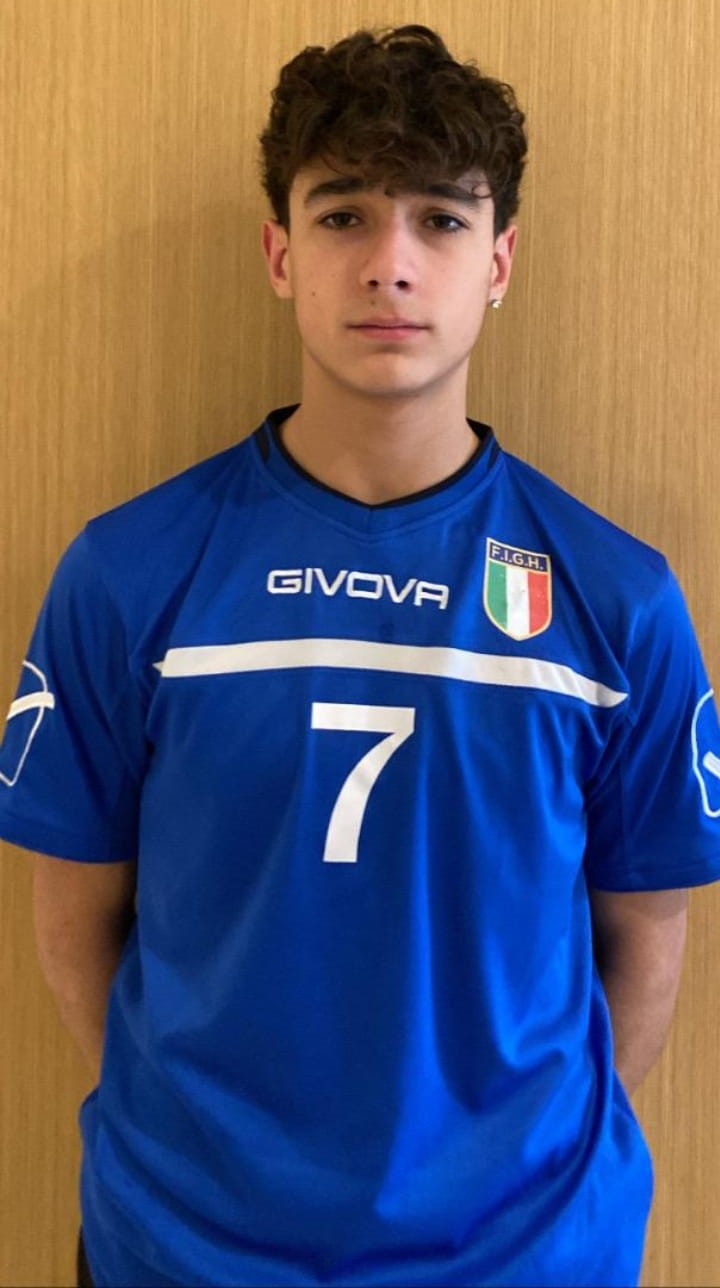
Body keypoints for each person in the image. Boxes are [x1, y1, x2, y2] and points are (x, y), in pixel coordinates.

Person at [1, 23, 719, 1288]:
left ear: (500, 262)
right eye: (343, 216)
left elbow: (646, 938)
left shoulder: (619, 601)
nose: (391, 263)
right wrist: (202, 1168)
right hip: (185, 1251)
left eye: (441, 219)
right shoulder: (129, 572)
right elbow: (74, 918)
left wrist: (516, 1183)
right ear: (281, 254)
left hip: (526, 1256)